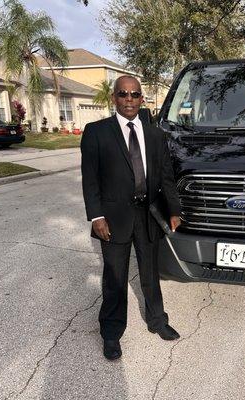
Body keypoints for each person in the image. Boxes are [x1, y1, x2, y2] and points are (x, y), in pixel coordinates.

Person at [81, 75, 182, 361]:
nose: (129, 99)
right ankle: (111, 333)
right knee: (115, 277)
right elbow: (90, 180)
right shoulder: (96, 132)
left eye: (135, 95)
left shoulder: (155, 134)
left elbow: (166, 176)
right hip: (112, 218)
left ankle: (158, 321)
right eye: (123, 94)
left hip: (148, 214)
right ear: (114, 97)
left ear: (141, 99)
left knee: (151, 273)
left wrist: (174, 210)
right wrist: (96, 216)